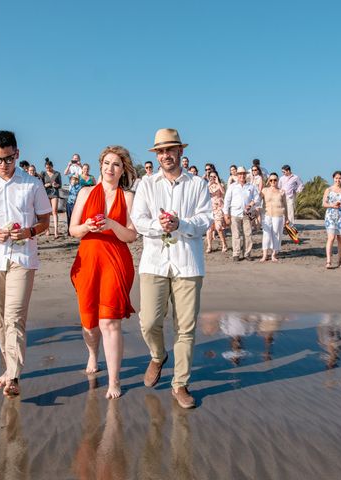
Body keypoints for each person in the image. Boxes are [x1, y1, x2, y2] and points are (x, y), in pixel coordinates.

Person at [131, 128, 213, 409]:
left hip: (188, 263)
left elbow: (206, 220)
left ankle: (180, 383)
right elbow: (138, 220)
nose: (166, 155)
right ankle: (157, 355)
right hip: (154, 261)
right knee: (149, 321)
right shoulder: (147, 184)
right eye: (161, 151)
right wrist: (159, 225)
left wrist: (181, 224)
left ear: (181, 151)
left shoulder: (198, 184)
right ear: (157, 155)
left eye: (170, 150)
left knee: (185, 327)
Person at [0, 130, 51, 397]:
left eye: (8, 159)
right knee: (1, 319)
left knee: (15, 317)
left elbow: (45, 222)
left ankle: (13, 376)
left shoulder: (32, 184)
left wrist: (29, 232)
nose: (3, 165)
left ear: (17, 154)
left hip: (23, 257)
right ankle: (8, 367)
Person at [70, 145, 138, 399]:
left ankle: (114, 380)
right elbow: (72, 230)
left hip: (116, 261)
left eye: (116, 165)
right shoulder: (86, 193)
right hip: (88, 261)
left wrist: (111, 223)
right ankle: (91, 353)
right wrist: (87, 226)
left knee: (109, 321)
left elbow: (131, 235)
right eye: (107, 163)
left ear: (123, 170)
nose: (110, 168)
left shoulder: (128, 197)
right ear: (101, 166)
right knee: (89, 324)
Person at [223, 166, 259, 261]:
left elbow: (257, 198)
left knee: (248, 234)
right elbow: (227, 200)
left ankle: (247, 254)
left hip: (247, 214)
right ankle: (236, 254)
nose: (242, 176)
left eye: (243, 173)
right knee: (236, 234)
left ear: (246, 175)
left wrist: (251, 204)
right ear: (237, 175)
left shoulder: (251, 186)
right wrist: (226, 214)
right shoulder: (232, 186)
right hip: (235, 213)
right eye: (240, 174)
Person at [322, 171, 341, 269]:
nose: (338, 180)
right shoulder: (328, 189)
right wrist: (332, 205)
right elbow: (324, 204)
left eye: (340, 178)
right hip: (330, 215)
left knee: (340, 239)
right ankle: (328, 261)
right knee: (331, 238)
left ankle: (340, 260)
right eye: (336, 178)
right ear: (333, 178)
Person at [260, 173, 288, 262]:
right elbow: (257, 199)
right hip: (267, 215)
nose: (273, 182)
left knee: (276, 234)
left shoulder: (282, 191)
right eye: (271, 180)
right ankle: (265, 255)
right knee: (266, 234)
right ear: (269, 181)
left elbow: (285, 205)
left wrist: (287, 218)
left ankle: (274, 254)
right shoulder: (264, 190)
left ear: (278, 180)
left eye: (275, 180)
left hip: (278, 215)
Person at [205, 171, 228, 253]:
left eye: (214, 176)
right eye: (211, 176)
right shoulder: (207, 186)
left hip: (219, 208)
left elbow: (224, 192)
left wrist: (217, 182)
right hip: (210, 209)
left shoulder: (220, 185)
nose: (212, 178)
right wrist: (209, 183)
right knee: (209, 229)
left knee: (218, 227)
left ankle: (224, 244)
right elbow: (203, 194)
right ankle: (209, 246)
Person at [41, 158, 62, 238]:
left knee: (54, 211)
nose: (48, 169)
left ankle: (56, 231)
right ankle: (47, 229)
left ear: (52, 166)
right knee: (47, 212)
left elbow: (60, 185)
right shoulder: (43, 173)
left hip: (54, 193)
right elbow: (40, 184)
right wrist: (45, 185)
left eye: (49, 167)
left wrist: (56, 185)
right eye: (46, 168)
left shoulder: (57, 173)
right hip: (46, 194)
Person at [249, 164, 265, 229]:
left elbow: (260, 189)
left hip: (257, 196)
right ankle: (255, 226)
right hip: (251, 196)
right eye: (252, 170)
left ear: (258, 170)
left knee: (257, 211)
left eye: (255, 170)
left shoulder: (260, 178)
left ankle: (258, 226)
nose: (254, 171)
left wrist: (257, 197)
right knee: (252, 212)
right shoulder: (252, 178)